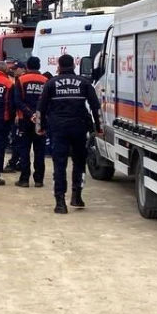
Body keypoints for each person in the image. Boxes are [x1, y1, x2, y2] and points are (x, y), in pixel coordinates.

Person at [36, 54, 102, 213]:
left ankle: (60, 202)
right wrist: (99, 128)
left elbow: (41, 108)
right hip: (79, 128)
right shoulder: (84, 83)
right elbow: (95, 107)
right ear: (73, 65)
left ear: (58, 66)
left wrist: (40, 127)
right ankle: (76, 196)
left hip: (58, 129)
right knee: (79, 162)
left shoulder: (51, 83)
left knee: (59, 164)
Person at [12, 56, 47, 188]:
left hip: (24, 120)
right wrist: (37, 115)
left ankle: (24, 179)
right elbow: (47, 102)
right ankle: (38, 180)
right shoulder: (46, 81)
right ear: (39, 66)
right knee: (40, 151)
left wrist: (29, 113)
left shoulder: (21, 80)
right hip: (40, 120)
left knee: (24, 150)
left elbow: (17, 101)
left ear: (27, 67)